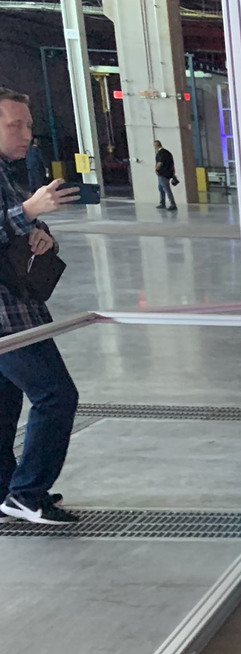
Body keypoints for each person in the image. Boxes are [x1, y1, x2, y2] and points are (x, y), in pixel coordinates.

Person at [0, 88, 81, 525]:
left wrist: (40, 230)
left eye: (29, 124)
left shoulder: (8, 171)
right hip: (5, 319)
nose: (26, 134)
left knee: (5, 404)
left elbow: (16, 218)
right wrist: (28, 211)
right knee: (56, 395)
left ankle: (7, 492)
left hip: (18, 307)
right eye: (15, 125)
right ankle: (27, 493)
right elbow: (16, 214)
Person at [154, 139, 177, 210]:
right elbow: (172, 164)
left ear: (156, 146)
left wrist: (156, 170)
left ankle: (172, 204)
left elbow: (160, 163)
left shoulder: (160, 153)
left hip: (163, 174)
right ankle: (162, 203)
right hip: (169, 173)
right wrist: (173, 174)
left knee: (166, 189)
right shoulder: (167, 153)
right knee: (161, 189)